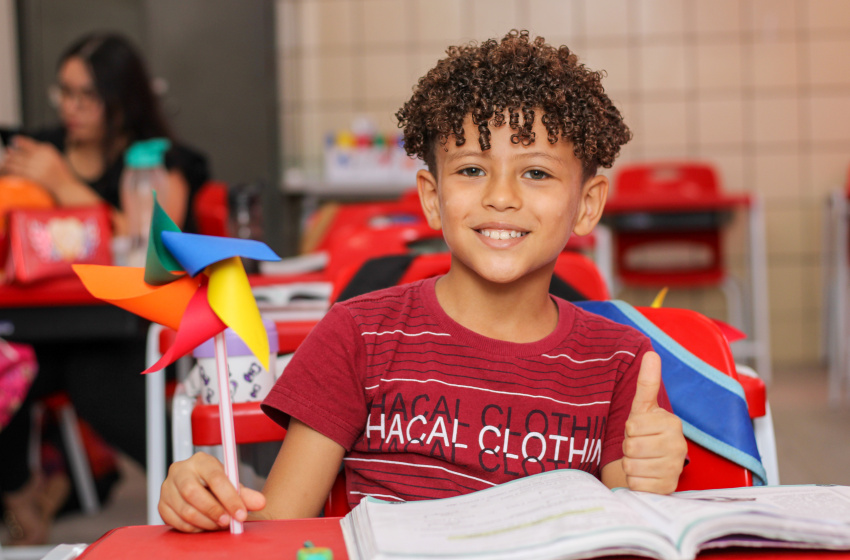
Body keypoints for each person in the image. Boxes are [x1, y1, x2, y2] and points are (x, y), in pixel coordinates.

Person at [158, 30, 687, 533]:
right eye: (472, 170)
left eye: (537, 172)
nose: (500, 197)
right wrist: (204, 502)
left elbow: (632, 529)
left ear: (588, 204)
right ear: (433, 197)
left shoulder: (622, 363)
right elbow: (279, 526)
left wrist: (651, 473)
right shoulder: (357, 335)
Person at [0, 32, 208, 545]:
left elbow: (157, 251)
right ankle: (25, 491)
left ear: (120, 100)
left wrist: (63, 186)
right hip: (37, 322)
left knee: (98, 382)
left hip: (118, 322)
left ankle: (202, 489)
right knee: (6, 368)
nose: (71, 107)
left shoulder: (155, 160)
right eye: (64, 92)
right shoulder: (35, 150)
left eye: (86, 95)